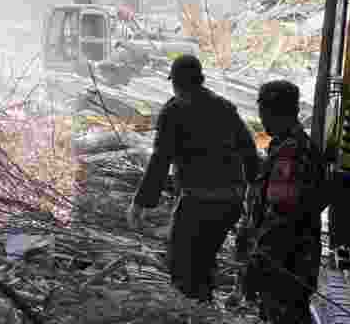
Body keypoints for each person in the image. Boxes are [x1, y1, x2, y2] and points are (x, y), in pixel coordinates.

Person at [127, 54, 261, 304]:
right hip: (230, 203)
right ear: (200, 79)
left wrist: (140, 204)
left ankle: (195, 310)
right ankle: (205, 303)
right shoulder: (224, 106)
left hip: (198, 203)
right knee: (204, 259)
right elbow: (249, 150)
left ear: (175, 82)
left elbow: (160, 160)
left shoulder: (175, 110)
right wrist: (254, 189)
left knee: (182, 267)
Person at [245, 80, 329, 324]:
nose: (261, 119)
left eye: (262, 112)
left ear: (270, 111)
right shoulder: (300, 147)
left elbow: (281, 218)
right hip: (296, 259)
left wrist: (259, 261)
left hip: (285, 262)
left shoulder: (291, 153)